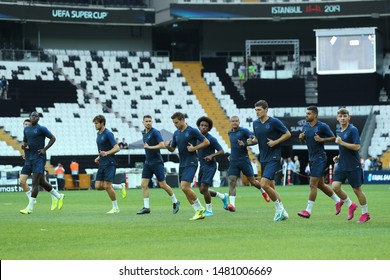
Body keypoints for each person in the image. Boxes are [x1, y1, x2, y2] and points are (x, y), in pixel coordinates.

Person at [246, 100, 290, 221]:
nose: (257, 112)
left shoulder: (274, 122)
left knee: (263, 184)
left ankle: (279, 210)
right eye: (256, 110)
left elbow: (287, 134)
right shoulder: (255, 123)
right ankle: (283, 211)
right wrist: (250, 142)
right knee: (271, 187)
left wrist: (275, 142)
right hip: (263, 158)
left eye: (259, 110)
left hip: (274, 157)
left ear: (266, 109)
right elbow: (256, 139)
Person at [297, 105, 343, 219]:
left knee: (313, 184)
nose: (306, 115)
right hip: (311, 159)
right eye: (306, 113)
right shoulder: (305, 127)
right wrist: (301, 138)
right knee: (321, 185)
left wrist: (322, 139)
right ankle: (338, 201)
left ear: (315, 115)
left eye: (309, 114)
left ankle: (308, 211)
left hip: (320, 158)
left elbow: (334, 138)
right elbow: (304, 144)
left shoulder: (322, 126)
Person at [165, 112, 210, 220]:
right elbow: (172, 149)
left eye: (176, 122)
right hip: (182, 163)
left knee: (185, 186)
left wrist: (194, 148)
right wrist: (167, 147)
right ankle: (197, 211)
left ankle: (200, 208)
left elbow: (206, 142)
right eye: (174, 123)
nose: (175, 125)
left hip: (191, 162)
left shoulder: (192, 130)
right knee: (184, 189)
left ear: (182, 119)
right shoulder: (176, 133)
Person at [19, 111, 65, 214]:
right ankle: (58, 196)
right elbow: (25, 142)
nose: (34, 117)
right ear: (30, 117)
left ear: (38, 118)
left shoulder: (41, 129)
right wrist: (24, 146)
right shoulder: (26, 129)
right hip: (29, 159)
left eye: (36, 116)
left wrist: (45, 149)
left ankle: (30, 208)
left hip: (39, 158)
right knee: (39, 182)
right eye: (32, 115)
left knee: (35, 182)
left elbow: (53, 138)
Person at [332, 108, 370, 223]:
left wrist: (341, 143)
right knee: (335, 187)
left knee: (357, 190)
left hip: (353, 165)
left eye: (345, 116)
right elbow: (343, 148)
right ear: (337, 118)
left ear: (349, 117)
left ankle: (365, 213)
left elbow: (357, 147)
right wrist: (338, 156)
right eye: (340, 116)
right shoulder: (338, 131)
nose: (343, 118)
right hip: (342, 164)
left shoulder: (353, 130)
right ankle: (350, 204)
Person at [136, 115, 180, 215]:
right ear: (143, 122)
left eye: (150, 121)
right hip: (148, 162)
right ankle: (146, 207)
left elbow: (162, 144)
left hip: (157, 162)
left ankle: (175, 201)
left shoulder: (155, 132)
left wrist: (150, 147)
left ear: (152, 122)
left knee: (162, 184)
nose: (148, 123)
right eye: (146, 121)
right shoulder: (143, 132)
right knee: (143, 184)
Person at [227, 115, 270, 212]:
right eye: (233, 121)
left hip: (244, 160)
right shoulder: (229, 132)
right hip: (233, 161)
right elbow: (234, 146)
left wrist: (245, 144)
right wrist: (231, 154)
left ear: (239, 122)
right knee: (232, 181)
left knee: (253, 181)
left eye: (236, 121)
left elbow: (256, 140)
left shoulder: (244, 131)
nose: (234, 122)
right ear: (230, 122)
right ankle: (232, 205)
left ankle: (263, 191)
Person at [196, 116, 228, 216]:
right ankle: (222, 196)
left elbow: (222, 151)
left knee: (204, 188)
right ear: (199, 127)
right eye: (201, 125)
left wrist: (211, 155)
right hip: (202, 166)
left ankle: (209, 210)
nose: (203, 127)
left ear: (209, 128)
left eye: (206, 126)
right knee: (202, 190)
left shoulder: (211, 139)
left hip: (210, 166)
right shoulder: (197, 138)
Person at [93, 114, 122, 214]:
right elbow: (102, 149)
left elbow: (117, 148)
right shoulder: (98, 134)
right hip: (102, 162)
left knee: (106, 186)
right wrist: (99, 157)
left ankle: (116, 208)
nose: (95, 125)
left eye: (96, 123)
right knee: (97, 186)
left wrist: (107, 153)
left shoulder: (108, 133)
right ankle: (119, 186)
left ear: (102, 123)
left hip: (110, 162)